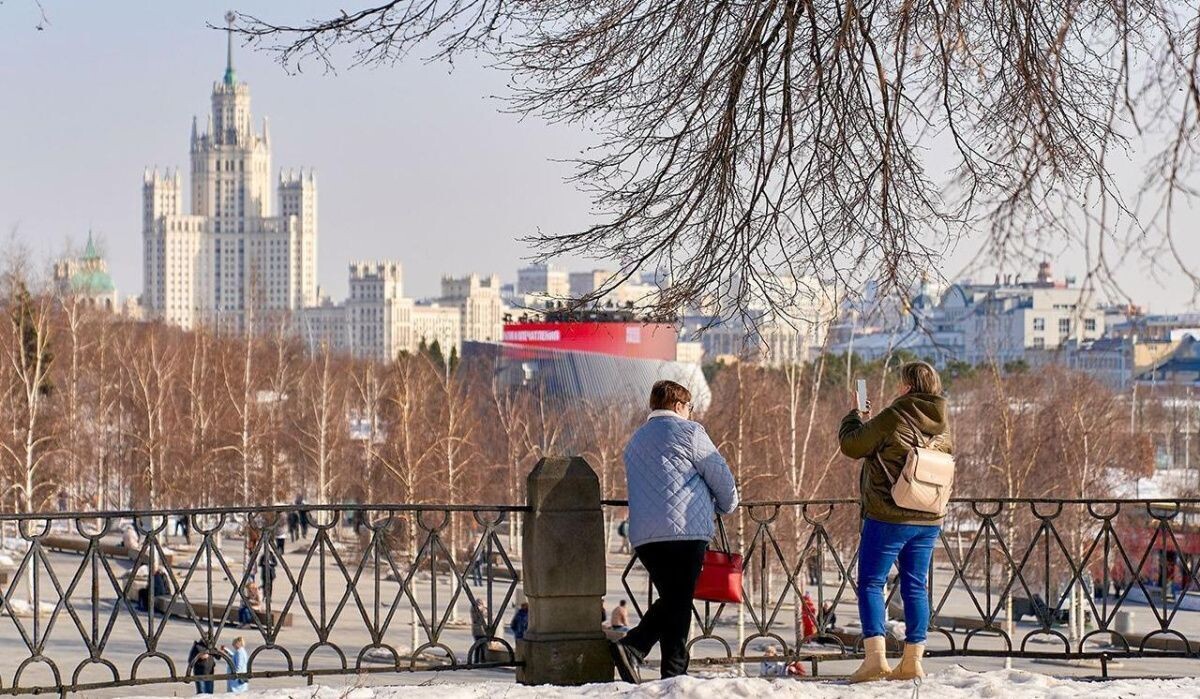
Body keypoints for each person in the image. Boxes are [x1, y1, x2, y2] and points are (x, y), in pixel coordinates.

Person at [610, 380, 739, 684]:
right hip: (685, 532)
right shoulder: (691, 432)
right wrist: (727, 504)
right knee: (678, 600)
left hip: (646, 538)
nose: (691, 412)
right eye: (689, 407)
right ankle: (634, 647)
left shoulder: (636, 440)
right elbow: (720, 476)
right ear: (680, 406)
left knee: (674, 601)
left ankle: (672, 672)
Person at [839, 361, 951, 683]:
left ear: (907, 387)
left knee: (872, 583)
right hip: (929, 516)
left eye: (901, 383)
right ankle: (912, 661)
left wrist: (855, 415)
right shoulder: (943, 425)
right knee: (915, 585)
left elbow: (852, 445)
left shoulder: (893, 416)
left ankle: (875, 660)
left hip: (889, 515)